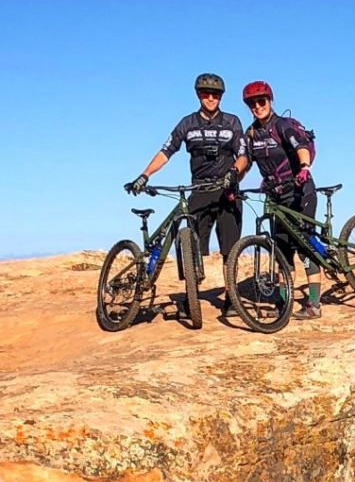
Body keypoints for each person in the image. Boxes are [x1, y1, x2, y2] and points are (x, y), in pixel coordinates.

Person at [126, 73, 250, 295]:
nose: (210, 98)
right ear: (198, 95)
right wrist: (144, 176)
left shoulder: (232, 122)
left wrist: (234, 172)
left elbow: (243, 154)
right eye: (205, 94)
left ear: (221, 97)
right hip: (199, 189)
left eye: (215, 94)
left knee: (229, 251)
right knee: (191, 247)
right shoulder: (187, 123)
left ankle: (232, 299)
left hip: (226, 189)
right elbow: (166, 151)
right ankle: (191, 294)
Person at [239, 80, 321, 314]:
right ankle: (284, 304)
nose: (257, 106)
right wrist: (233, 182)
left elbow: (301, 146)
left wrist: (304, 167)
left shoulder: (283, 125)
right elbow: (246, 163)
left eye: (261, 101)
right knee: (281, 251)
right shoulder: (252, 133)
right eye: (252, 103)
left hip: (299, 191)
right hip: (275, 199)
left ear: (270, 100)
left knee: (304, 246)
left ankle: (314, 303)